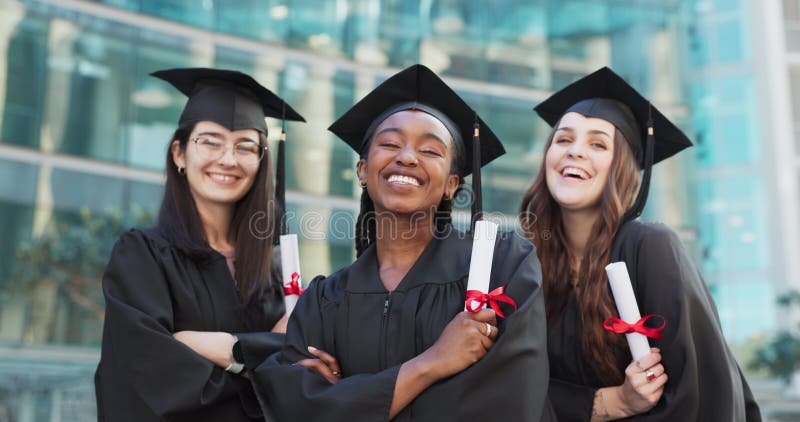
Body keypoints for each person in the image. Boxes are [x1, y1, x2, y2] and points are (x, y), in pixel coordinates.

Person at [250, 64, 553, 421]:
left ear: (452, 184)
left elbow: (507, 402)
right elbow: (293, 409)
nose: (407, 157)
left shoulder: (504, 267)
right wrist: (431, 364)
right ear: (363, 171)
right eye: (390, 144)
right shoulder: (324, 301)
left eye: (430, 151)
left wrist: (347, 399)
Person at [519, 67, 761, 421]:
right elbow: (511, 389)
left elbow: (702, 392)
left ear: (624, 169)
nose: (575, 152)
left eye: (598, 144)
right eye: (563, 139)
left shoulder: (649, 248)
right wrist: (611, 402)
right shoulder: (527, 262)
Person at [94, 68, 305, 421]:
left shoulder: (276, 273)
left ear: (260, 161)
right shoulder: (143, 256)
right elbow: (151, 379)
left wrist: (229, 351)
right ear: (179, 153)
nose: (228, 159)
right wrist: (263, 362)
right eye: (210, 141)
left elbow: (306, 370)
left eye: (245, 146)